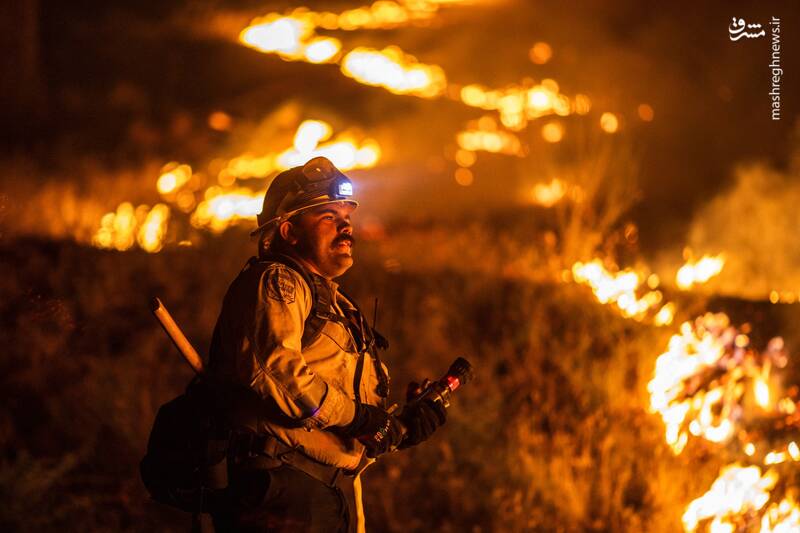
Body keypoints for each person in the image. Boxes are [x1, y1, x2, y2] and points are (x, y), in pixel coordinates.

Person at [207, 156, 447, 532]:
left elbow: (342, 415)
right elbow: (278, 373)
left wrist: (398, 428)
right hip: (282, 495)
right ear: (289, 231)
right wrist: (361, 419)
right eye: (329, 216)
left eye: (347, 216)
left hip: (321, 495)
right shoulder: (278, 282)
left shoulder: (335, 303)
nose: (346, 226)